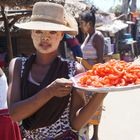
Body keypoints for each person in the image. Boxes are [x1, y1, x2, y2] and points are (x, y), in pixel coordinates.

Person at [7, 2, 107, 139]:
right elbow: (15, 114)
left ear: (61, 35)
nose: (45, 37)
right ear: (31, 33)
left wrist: (103, 91)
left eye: (52, 32)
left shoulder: (74, 70)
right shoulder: (18, 65)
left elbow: (76, 124)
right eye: (38, 31)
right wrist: (49, 91)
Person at [77, 7, 105, 140]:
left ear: (89, 23)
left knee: (96, 104)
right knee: (86, 104)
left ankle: (96, 135)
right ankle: (87, 133)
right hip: (86, 77)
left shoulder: (97, 37)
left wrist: (86, 63)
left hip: (95, 77)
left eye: (81, 23)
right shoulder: (87, 36)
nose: (80, 26)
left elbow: (100, 61)